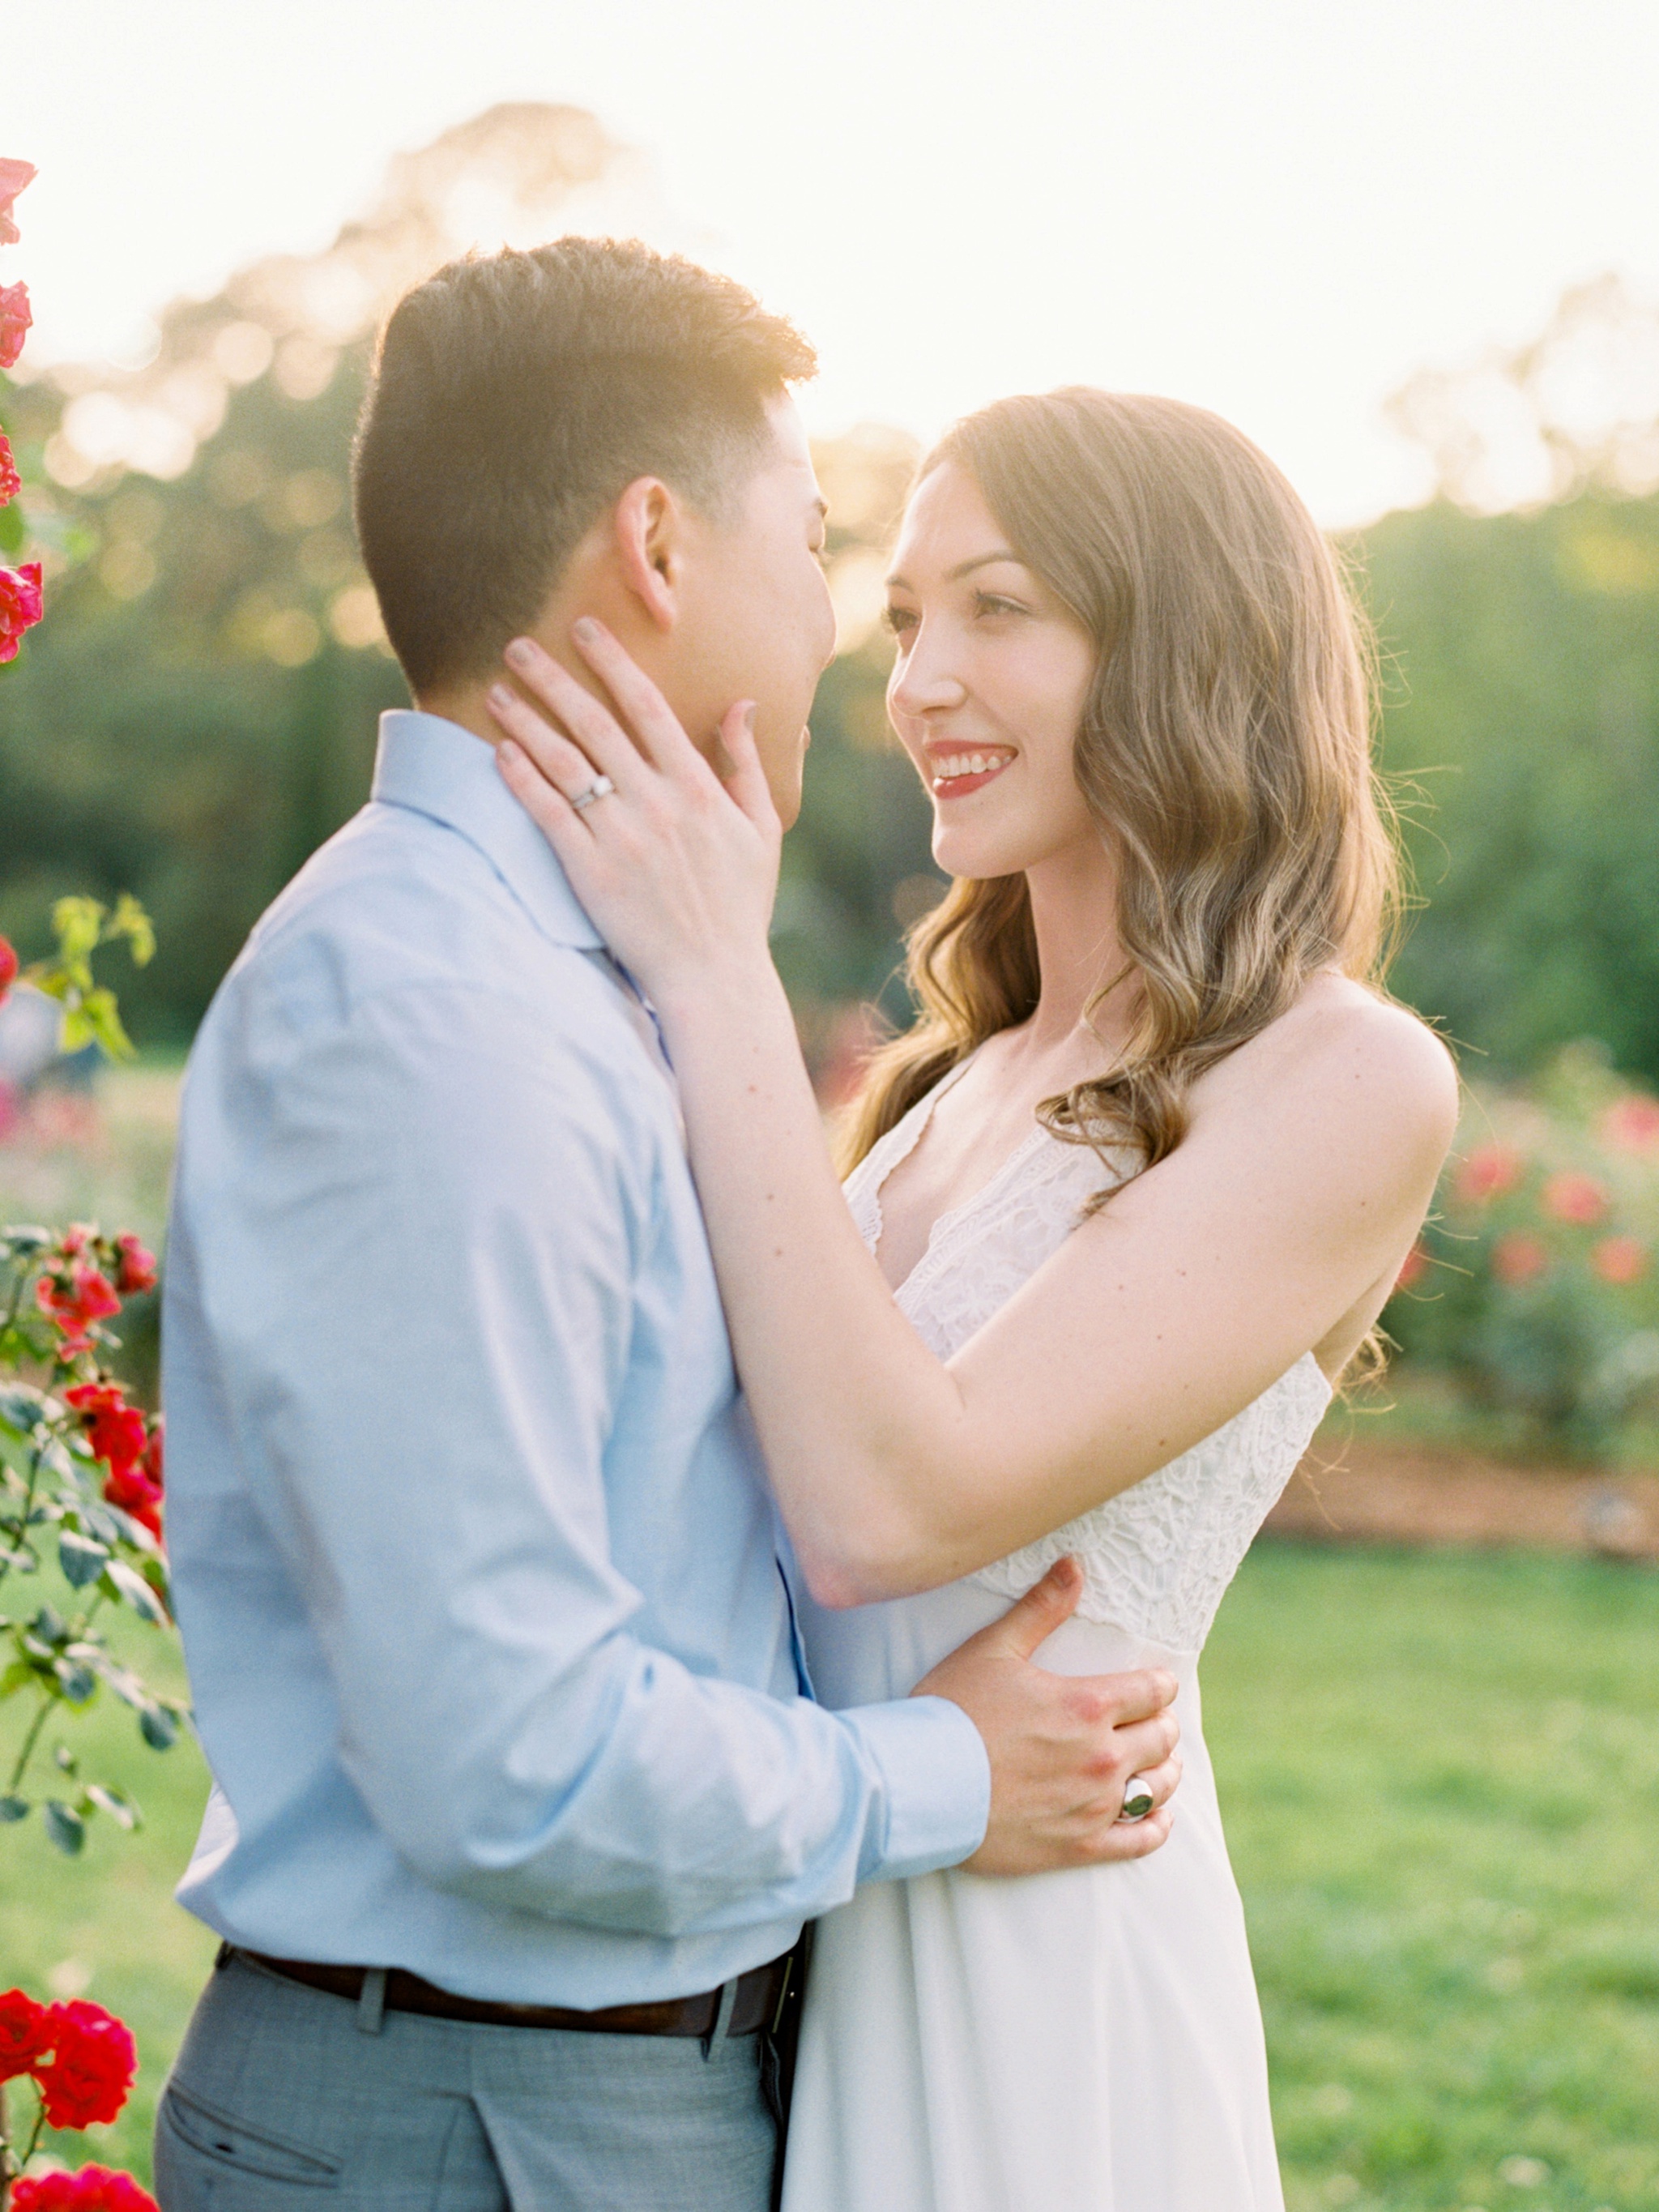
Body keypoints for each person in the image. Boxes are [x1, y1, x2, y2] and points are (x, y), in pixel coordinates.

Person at [152, 243, 1184, 2212]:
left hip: (562, 2099)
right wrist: (948, 1780)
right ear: (654, 543)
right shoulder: (439, 1018)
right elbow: (505, 1753)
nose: (847, 643)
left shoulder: (575, 975)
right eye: (811, 549)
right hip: (476, 2130)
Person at [486, 385, 1461, 2210]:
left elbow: (881, 1511)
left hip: (1041, 2003)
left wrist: (712, 973)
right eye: (907, 617)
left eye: (997, 609)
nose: (918, 680)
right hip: (820, 1935)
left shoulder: (1344, 1081)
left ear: (1185, 645)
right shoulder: (945, 1080)